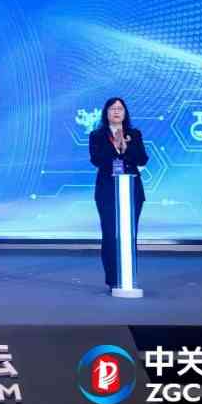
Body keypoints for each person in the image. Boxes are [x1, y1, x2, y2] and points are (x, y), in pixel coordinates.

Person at [88, 97, 149, 290]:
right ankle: (113, 279)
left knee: (129, 234)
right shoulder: (97, 135)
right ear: (106, 113)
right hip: (107, 190)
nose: (116, 111)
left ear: (125, 113)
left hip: (132, 190)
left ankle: (128, 277)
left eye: (120, 108)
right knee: (110, 233)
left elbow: (142, 159)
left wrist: (126, 147)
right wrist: (114, 147)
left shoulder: (134, 134)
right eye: (112, 108)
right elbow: (96, 160)